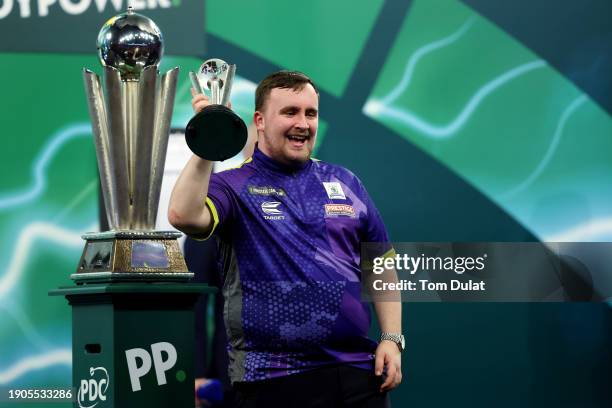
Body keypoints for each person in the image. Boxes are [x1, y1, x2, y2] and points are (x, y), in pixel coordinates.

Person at [169, 71, 402, 407]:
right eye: (290, 112)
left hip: (357, 376)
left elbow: (379, 264)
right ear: (260, 121)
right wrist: (208, 140)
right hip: (274, 381)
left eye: (311, 113)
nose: (303, 123)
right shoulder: (234, 186)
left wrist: (392, 339)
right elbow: (183, 215)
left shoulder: (345, 181)